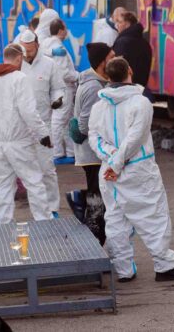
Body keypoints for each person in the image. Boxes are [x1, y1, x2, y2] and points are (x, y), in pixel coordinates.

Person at [88, 56, 174, 283]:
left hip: (108, 172)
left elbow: (94, 138)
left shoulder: (99, 106)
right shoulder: (141, 103)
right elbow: (135, 138)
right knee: (153, 217)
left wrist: (111, 159)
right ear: (130, 71)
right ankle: (164, 265)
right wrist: (117, 162)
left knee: (115, 218)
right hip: (137, 169)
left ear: (107, 76)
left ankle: (124, 269)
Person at [0, 44, 53, 223]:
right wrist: (43, 134)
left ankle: (2, 223)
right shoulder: (20, 78)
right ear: (19, 58)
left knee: (2, 186)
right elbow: (28, 111)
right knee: (34, 182)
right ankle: (44, 221)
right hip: (19, 142)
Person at [66, 41, 113, 242]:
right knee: (97, 199)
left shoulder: (98, 82)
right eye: (111, 57)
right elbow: (85, 126)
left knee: (99, 193)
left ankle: (80, 198)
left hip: (94, 152)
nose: (115, 60)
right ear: (102, 63)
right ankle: (95, 240)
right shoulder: (94, 87)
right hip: (93, 154)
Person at [17, 29, 65, 216]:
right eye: (24, 50)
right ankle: (36, 207)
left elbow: (58, 88)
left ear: (37, 45)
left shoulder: (49, 64)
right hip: (20, 126)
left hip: (43, 125)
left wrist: (58, 99)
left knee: (47, 169)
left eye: (30, 50)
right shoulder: (17, 63)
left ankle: (52, 208)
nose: (27, 54)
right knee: (26, 171)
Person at [37, 11, 79, 163]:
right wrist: (78, 76)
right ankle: (58, 153)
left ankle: (69, 152)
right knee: (60, 120)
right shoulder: (57, 47)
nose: (67, 30)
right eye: (65, 28)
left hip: (57, 88)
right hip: (64, 88)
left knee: (65, 120)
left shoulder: (47, 43)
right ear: (60, 31)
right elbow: (63, 73)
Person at [111, 10, 152, 88]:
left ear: (127, 24)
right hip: (140, 87)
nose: (117, 25)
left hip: (123, 87)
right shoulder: (145, 43)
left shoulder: (122, 42)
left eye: (120, 22)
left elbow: (116, 67)